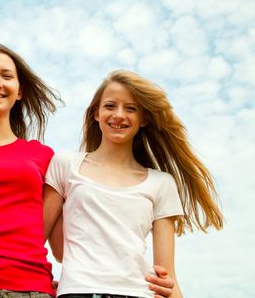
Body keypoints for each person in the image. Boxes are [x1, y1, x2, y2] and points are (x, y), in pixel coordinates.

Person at [0, 44, 175, 298]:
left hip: (34, 289)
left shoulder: (46, 158)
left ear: (19, 90)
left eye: (6, 75)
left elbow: (62, 242)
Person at [43, 70, 224, 298]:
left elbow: (167, 275)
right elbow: (56, 249)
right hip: (78, 291)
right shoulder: (65, 164)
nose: (119, 115)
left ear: (143, 119)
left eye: (130, 109)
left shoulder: (161, 183)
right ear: (96, 113)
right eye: (110, 106)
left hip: (137, 293)